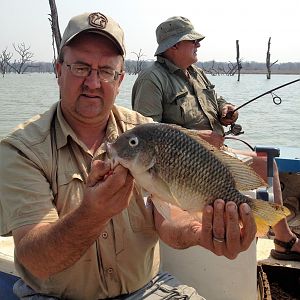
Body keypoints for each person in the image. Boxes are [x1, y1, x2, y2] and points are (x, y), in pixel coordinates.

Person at [0, 12, 257, 300]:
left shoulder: (147, 134)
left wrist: (201, 232)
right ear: (59, 70)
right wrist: (92, 214)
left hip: (149, 289)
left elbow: (168, 218)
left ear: (120, 79)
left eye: (106, 71)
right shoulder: (21, 149)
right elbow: (35, 260)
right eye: (81, 67)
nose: (93, 82)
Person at [132, 16, 300, 261]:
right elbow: (145, 130)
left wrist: (225, 111)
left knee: (266, 163)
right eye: (192, 40)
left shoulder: (197, 73)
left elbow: (217, 100)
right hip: (183, 166)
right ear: (173, 46)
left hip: (216, 154)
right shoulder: (152, 79)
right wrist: (198, 137)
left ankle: (282, 239)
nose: (198, 44)